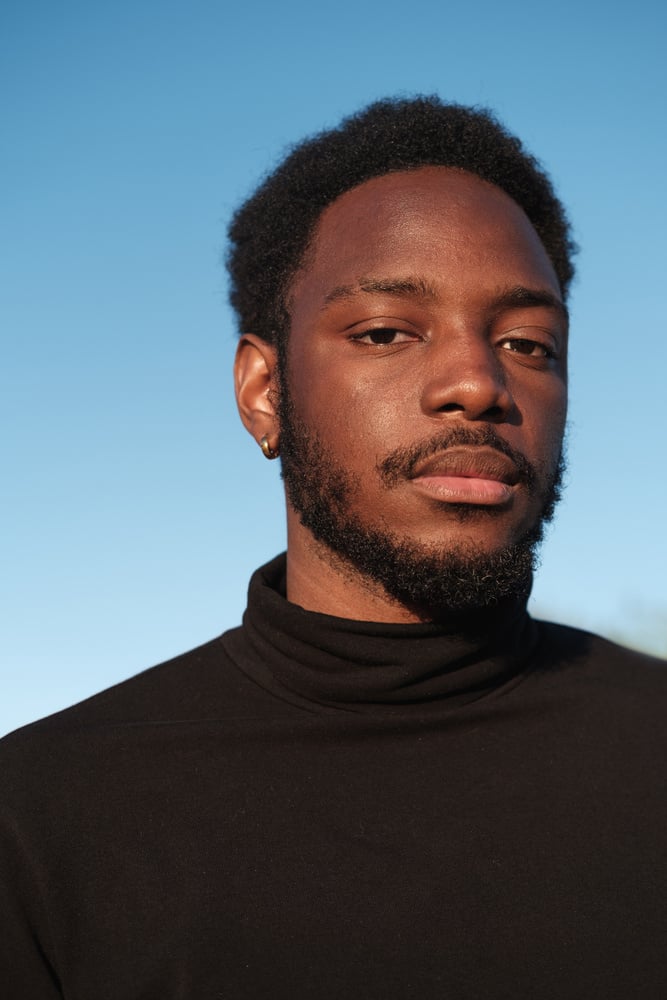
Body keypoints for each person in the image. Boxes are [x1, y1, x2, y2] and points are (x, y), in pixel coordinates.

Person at [1, 96, 665, 999]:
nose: (478, 382)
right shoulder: (41, 822)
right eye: (385, 332)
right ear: (264, 391)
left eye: (527, 343)